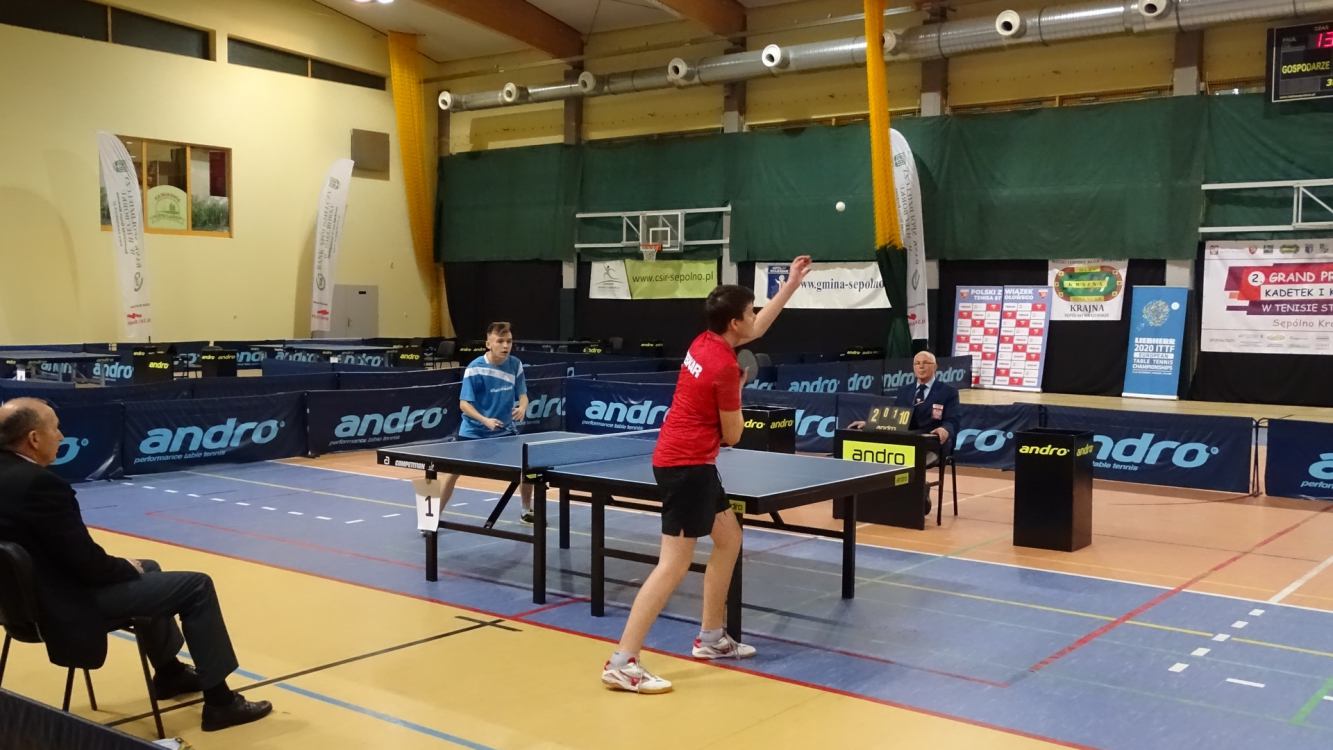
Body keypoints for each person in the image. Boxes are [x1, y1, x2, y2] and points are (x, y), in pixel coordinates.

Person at [601, 255, 813, 694]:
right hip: (686, 467)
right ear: (734, 323)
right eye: (750, 311)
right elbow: (733, 435)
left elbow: (757, 329)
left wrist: (791, 284)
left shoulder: (704, 342)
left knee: (729, 538)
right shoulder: (724, 368)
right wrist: (738, 390)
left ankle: (711, 637)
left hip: (690, 461)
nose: (754, 317)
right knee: (672, 565)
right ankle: (622, 661)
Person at [0, 398, 272, 732]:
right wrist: (128, 568)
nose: (61, 435)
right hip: (64, 604)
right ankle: (221, 703)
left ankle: (170, 673)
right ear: (34, 438)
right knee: (196, 585)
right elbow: (87, 565)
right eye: (55, 428)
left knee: (151, 566)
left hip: (15, 605)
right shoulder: (41, 485)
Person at [437, 322, 533, 522]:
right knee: (451, 473)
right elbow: (464, 404)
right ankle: (432, 517)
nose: (505, 345)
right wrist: (484, 420)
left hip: (505, 430)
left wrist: (523, 407)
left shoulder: (515, 364)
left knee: (528, 467)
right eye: (500, 341)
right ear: (488, 344)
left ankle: (526, 510)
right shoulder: (475, 368)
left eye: (509, 341)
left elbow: (523, 395)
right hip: (474, 431)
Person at [850, 350, 960, 514]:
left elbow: (953, 420)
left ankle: (919, 489)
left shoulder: (948, 392)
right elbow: (895, 419)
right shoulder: (905, 391)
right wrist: (869, 424)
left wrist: (945, 429)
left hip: (932, 445)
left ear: (935, 366)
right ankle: (892, 496)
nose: (921, 366)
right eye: (917, 363)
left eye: (925, 363)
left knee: (911, 459)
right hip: (906, 442)